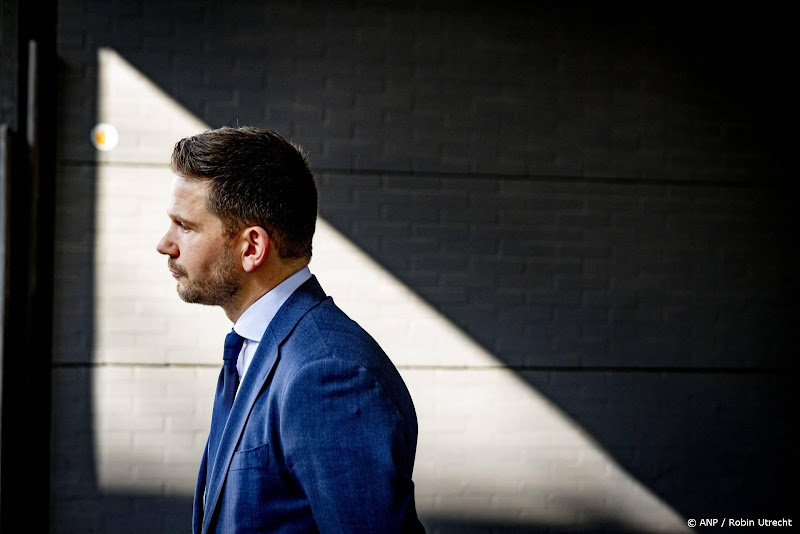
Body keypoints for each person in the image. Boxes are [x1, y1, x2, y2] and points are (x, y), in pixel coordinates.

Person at [156, 126, 425, 533]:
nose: (165, 244)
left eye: (185, 226)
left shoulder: (328, 375)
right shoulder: (256, 347)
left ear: (252, 248)